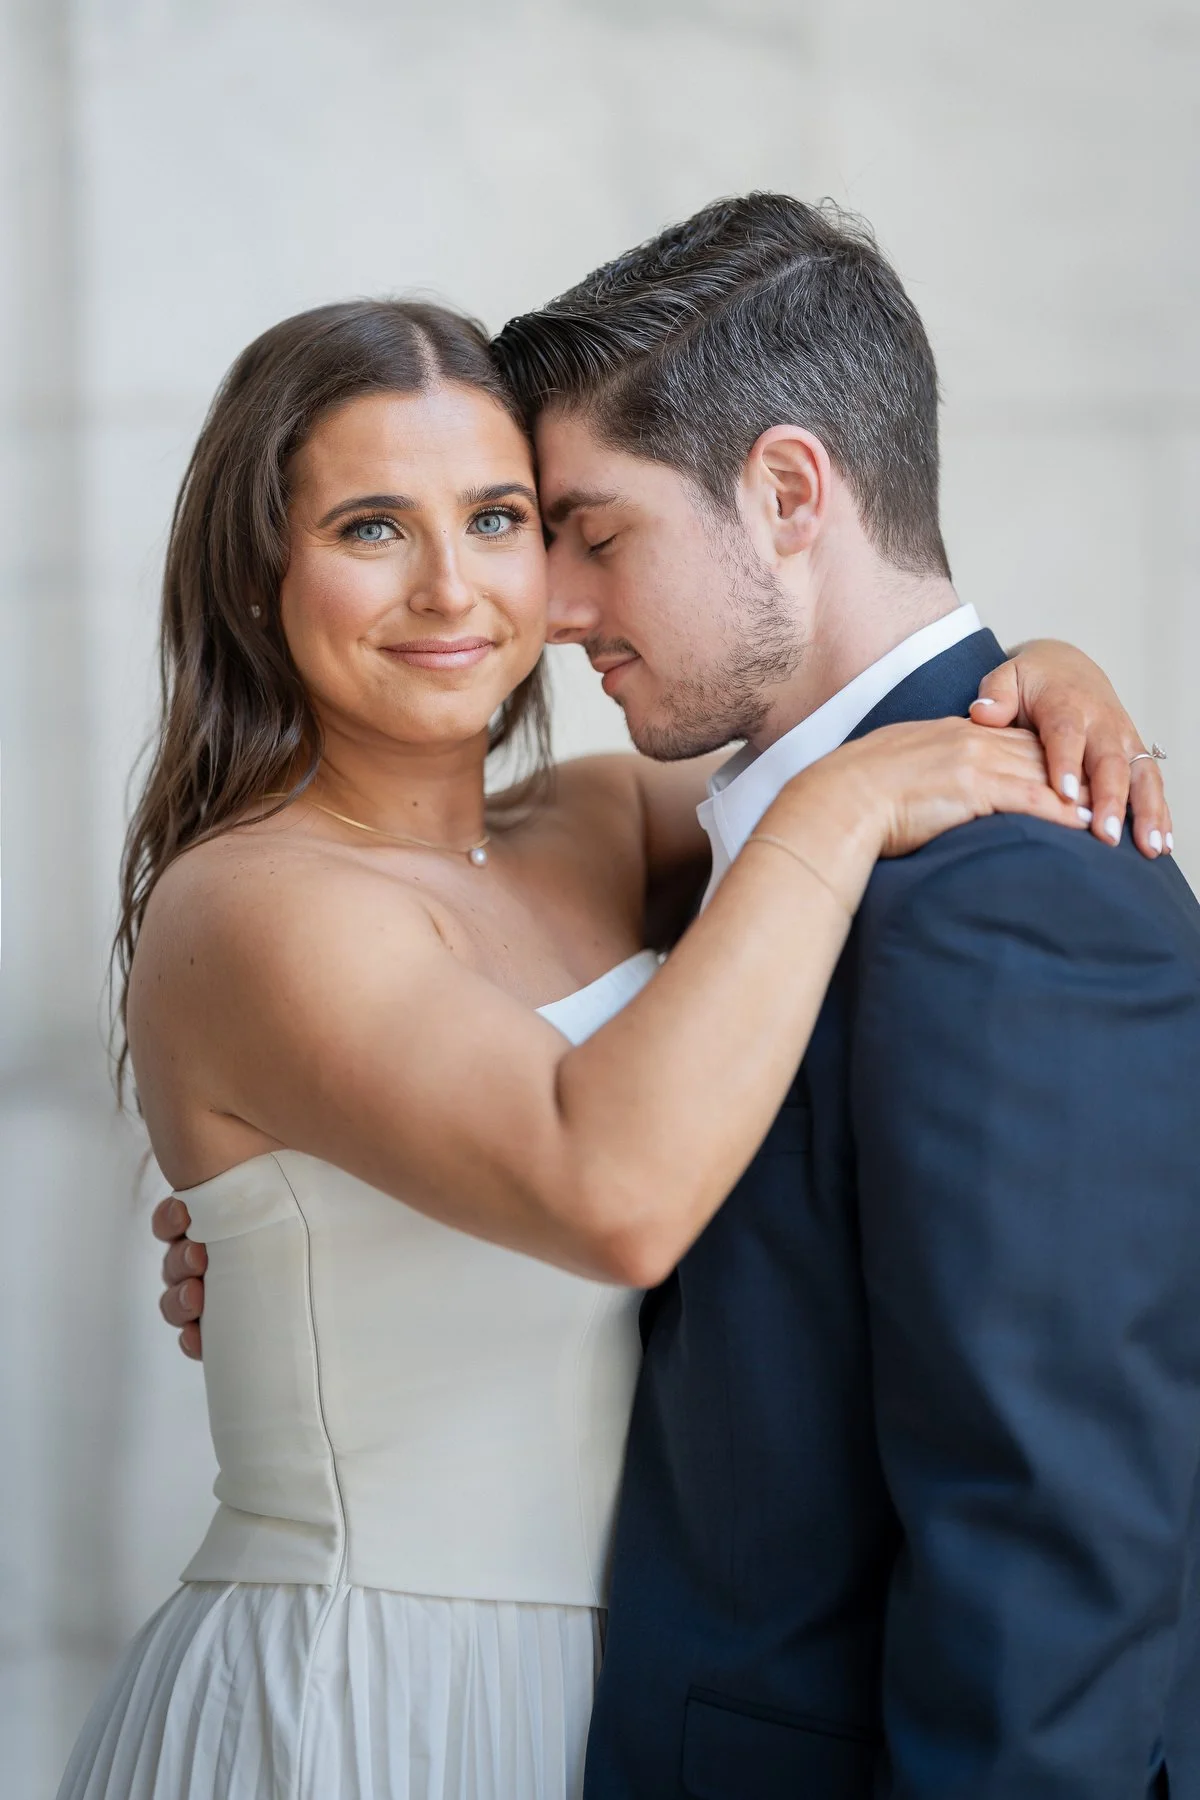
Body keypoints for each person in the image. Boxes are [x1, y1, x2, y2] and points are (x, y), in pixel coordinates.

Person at [142, 218, 1185, 1800]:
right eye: (368, 526)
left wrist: (1046, 671)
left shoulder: (606, 830)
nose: (501, 592)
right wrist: (848, 807)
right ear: (257, 568)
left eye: (515, 519)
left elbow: (845, 692)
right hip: (378, 1693)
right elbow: (622, 1184)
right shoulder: (248, 907)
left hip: (633, 1697)